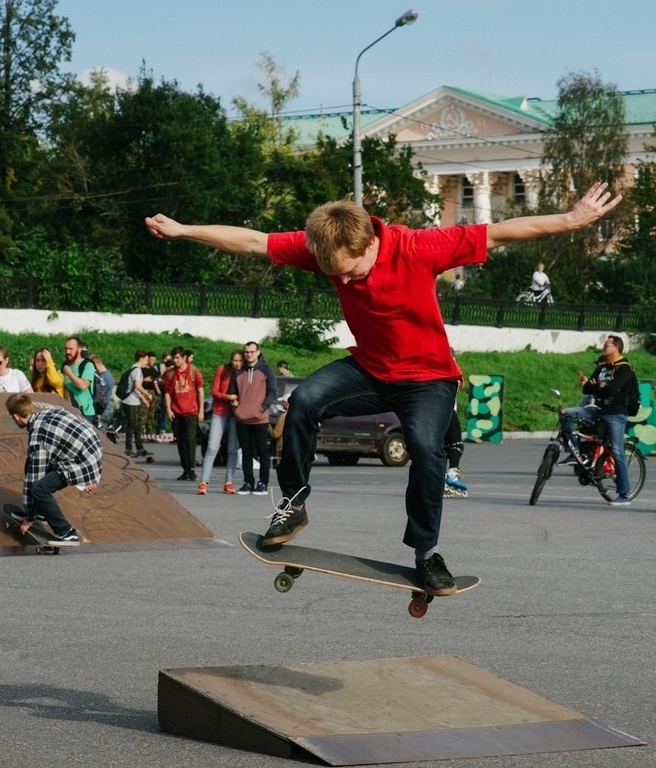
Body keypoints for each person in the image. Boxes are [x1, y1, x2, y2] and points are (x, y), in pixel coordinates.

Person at [145, 180, 621, 594]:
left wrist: (572, 219)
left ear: (370, 242)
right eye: (335, 275)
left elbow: (499, 232)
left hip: (428, 378)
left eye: (350, 270)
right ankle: (292, 505)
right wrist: (184, 230)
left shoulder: (420, 247)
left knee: (425, 449)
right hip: (370, 369)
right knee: (304, 400)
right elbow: (252, 240)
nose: (345, 281)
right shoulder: (326, 245)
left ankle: (426, 554)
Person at [5, 392, 102, 547]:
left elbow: (33, 479)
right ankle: (41, 512)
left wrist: (29, 516)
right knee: (32, 462)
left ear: (16, 417)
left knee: (39, 489)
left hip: (82, 462)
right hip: (91, 451)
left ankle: (66, 532)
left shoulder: (39, 438)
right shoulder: (47, 413)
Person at [563, 334, 637, 506]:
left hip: (615, 414)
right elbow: (587, 389)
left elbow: (611, 389)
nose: (604, 348)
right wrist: (598, 386)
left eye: (607, 345)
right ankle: (574, 453)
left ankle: (624, 494)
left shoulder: (625, 369)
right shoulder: (603, 367)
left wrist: (600, 387)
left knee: (617, 451)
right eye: (604, 345)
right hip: (598, 410)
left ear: (616, 348)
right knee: (566, 414)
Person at [229, 341, 277, 496]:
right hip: (242, 419)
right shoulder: (237, 372)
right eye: (246, 352)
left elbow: (272, 393)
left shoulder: (266, 369)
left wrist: (261, 408)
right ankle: (248, 482)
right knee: (246, 452)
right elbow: (232, 394)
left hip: (260, 419)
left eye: (251, 351)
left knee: (263, 452)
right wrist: (236, 409)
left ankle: (263, 483)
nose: (249, 354)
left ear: (258, 352)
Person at [199, 349, 244, 494]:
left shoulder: (244, 374)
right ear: (231, 360)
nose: (237, 363)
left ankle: (229, 482)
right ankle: (203, 482)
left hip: (235, 414)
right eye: (235, 360)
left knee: (232, 450)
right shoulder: (222, 370)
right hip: (220, 412)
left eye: (240, 361)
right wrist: (229, 397)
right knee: (212, 447)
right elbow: (214, 392)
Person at [164, 347, 204, 481]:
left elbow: (200, 391)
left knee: (191, 440)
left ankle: (191, 468)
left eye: (178, 358)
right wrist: (169, 409)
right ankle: (185, 469)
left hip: (191, 411)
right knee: (180, 441)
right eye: (174, 358)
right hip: (177, 412)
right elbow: (167, 393)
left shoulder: (193, 371)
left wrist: (201, 410)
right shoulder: (170, 373)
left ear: (184, 358)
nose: (175, 361)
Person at [118, 350, 152, 459]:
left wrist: (143, 399)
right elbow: (137, 385)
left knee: (137, 425)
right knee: (132, 425)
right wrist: (147, 394)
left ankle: (139, 448)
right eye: (146, 359)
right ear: (141, 359)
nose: (147, 362)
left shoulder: (134, 369)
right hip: (130, 401)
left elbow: (134, 388)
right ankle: (128, 449)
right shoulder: (137, 370)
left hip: (134, 400)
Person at [61, 336, 98, 425]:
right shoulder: (65, 365)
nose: (67, 352)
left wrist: (69, 373)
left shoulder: (87, 365)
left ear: (79, 350)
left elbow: (83, 385)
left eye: (71, 349)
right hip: (68, 412)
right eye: (66, 349)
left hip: (84, 413)